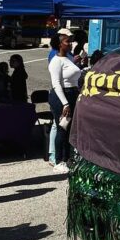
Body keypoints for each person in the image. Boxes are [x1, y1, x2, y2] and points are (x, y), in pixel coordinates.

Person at [48, 30, 82, 174]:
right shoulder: (56, 61)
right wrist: (65, 103)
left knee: (69, 130)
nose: (70, 43)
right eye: (67, 41)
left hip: (73, 93)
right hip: (62, 96)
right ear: (59, 44)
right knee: (62, 127)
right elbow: (56, 83)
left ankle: (68, 158)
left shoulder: (68, 58)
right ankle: (59, 160)